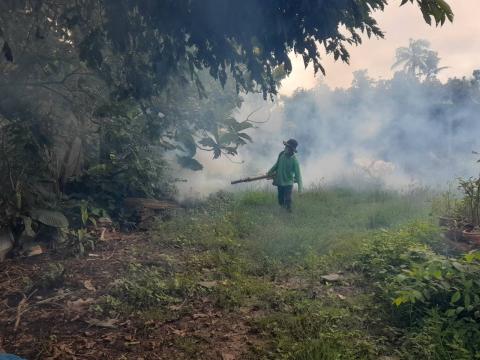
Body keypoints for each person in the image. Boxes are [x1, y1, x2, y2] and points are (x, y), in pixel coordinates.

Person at [267, 139, 303, 211]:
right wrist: (269, 172)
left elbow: (298, 176)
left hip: (288, 182)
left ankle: (288, 211)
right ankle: (282, 209)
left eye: (288, 148)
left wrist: (300, 190)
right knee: (280, 198)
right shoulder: (281, 154)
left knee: (288, 198)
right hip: (280, 181)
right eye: (286, 146)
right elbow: (276, 165)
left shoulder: (294, 161)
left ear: (292, 150)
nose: (286, 148)